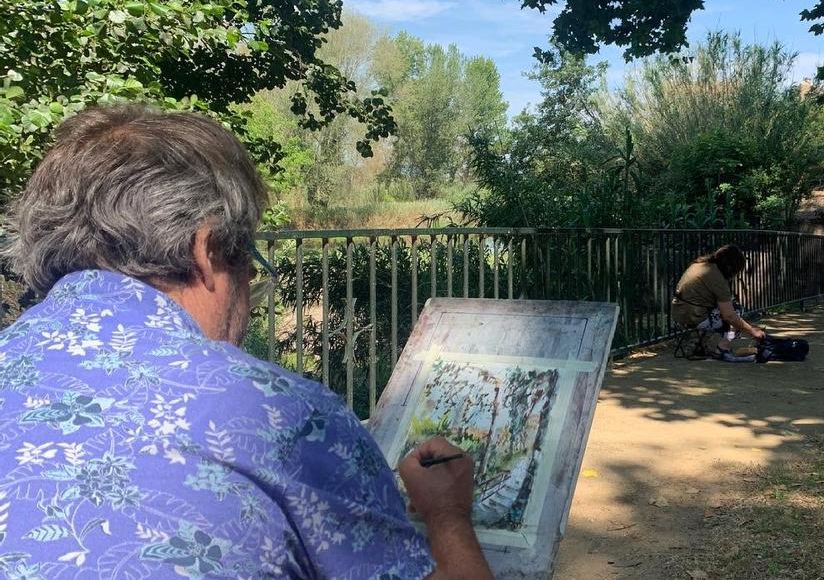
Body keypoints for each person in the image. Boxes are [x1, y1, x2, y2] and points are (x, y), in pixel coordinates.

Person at [0, 105, 492, 578]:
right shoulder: (285, 415)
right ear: (208, 248)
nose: (250, 286)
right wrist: (447, 514)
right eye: (248, 257)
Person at [670, 245, 766, 361]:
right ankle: (722, 347)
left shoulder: (698, 265)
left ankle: (703, 344)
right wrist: (752, 331)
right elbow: (729, 316)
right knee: (736, 311)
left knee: (727, 312)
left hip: (678, 313)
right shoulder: (717, 278)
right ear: (732, 267)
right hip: (695, 318)